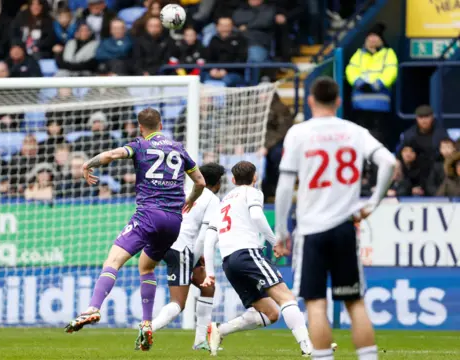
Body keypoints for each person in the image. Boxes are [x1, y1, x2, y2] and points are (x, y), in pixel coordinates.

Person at [274, 77, 396, 360]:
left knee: (316, 303)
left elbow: (284, 185)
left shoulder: (298, 132)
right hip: (344, 227)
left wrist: (281, 228)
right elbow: (389, 162)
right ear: (339, 101)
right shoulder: (355, 131)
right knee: (355, 302)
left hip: (311, 230)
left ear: (311, 101)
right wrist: (374, 201)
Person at [65, 108, 206, 352]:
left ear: (141, 127)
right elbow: (201, 182)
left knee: (113, 261)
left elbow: (111, 155)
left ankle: (93, 308)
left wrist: (89, 163)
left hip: (148, 215)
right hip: (173, 221)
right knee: (147, 266)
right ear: (160, 124)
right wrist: (190, 200)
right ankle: (146, 323)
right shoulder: (179, 148)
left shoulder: (139, 145)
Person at [202, 160, 314, 356]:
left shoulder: (223, 201)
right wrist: (275, 242)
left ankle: (220, 330)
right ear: (255, 177)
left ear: (233, 179)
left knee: (271, 313)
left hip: (229, 262)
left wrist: (210, 273)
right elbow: (256, 216)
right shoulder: (252, 192)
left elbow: (209, 239)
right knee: (286, 297)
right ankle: (309, 347)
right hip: (247, 254)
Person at [150, 162, 224, 350]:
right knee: (178, 303)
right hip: (182, 247)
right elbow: (203, 237)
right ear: (217, 183)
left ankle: (200, 341)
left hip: (165, 242)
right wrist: (193, 260)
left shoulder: (184, 190)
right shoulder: (212, 199)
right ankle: (149, 328)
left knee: (207, 286)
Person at [345, 23, 398, 148]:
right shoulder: (359, 54)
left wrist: (376, 85)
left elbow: (391, 72)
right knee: (360, 136)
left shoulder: (388, 53)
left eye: (375, 37)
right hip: (359, 106)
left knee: (379, 137)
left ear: (381, 39)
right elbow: (350, 70)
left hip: (380, 106)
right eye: (370, 37)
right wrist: (360, 83)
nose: (372, 40)